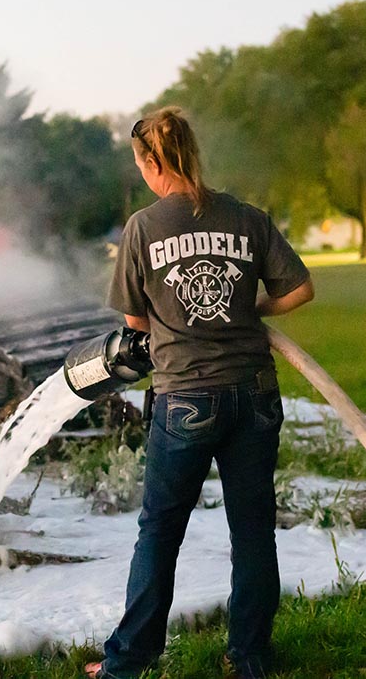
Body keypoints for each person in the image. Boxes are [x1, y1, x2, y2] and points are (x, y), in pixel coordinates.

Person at [86, 107, 315, 679]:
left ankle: (128, 663)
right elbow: (301, 289)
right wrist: (251, 309)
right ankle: (252, 658)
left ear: (151, 161)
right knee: (254, 528)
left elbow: (135, 325)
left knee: (160, 530)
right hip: (256, 393)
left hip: (186, 398)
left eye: (139, 163)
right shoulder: (247, 217)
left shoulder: (142, 228)